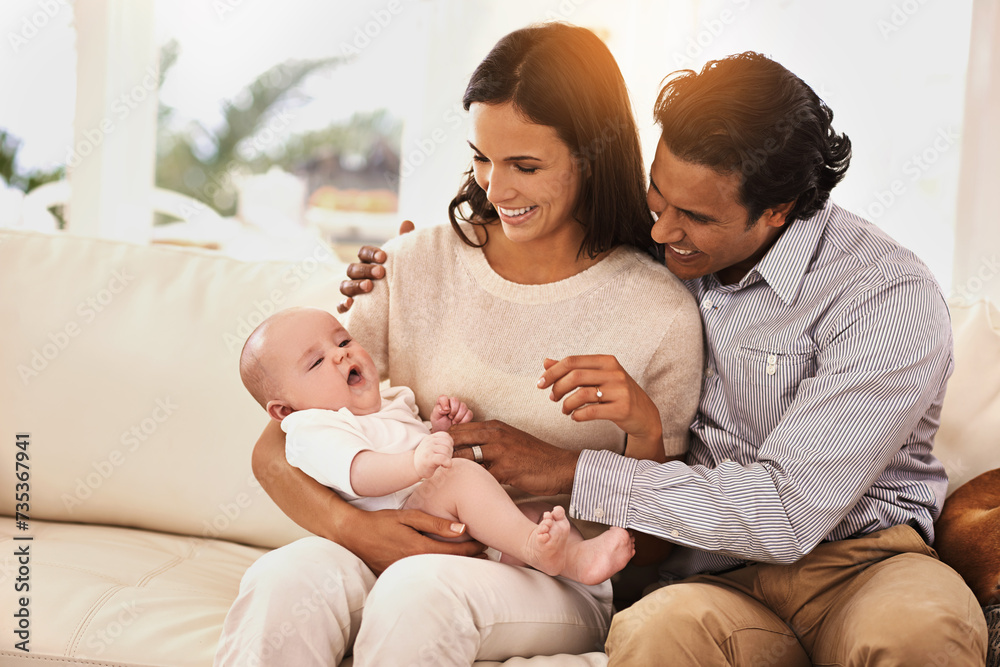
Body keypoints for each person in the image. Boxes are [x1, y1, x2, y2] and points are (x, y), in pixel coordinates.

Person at [345, 52, 988, 664]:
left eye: (695, 216)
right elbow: (532, 232)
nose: (659, 232)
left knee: (919, 637)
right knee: (654, 636)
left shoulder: (887, 294)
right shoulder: (660, 249)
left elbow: (786, 515)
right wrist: (398, 264)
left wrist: (569, 469)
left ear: (777, 210)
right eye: (658, 194)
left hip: (860, 563)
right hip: (710, 579)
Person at [214, 22, 703, 666]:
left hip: (550, 571)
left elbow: (662, 532)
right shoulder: (413, 264)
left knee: (422, 592)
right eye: (481, 158)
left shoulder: (658, 309)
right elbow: (280, 445)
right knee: (284, 581)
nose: (496, 191)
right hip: (402, 532)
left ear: (590, 155)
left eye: (525, 165)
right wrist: (362, 530)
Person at [238, 306, 637, 585]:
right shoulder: (312, 429)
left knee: (535, 513)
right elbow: (360, 473)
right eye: (315, 363)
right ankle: (534, 549)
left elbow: (411, 445)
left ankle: (573, 560)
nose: (340, 355)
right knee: (461, 476)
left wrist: (439, 430)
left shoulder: (391, 402)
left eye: (343, 340)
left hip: (444, 518)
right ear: (284, 410)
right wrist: (416, 462)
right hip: (404, 525)